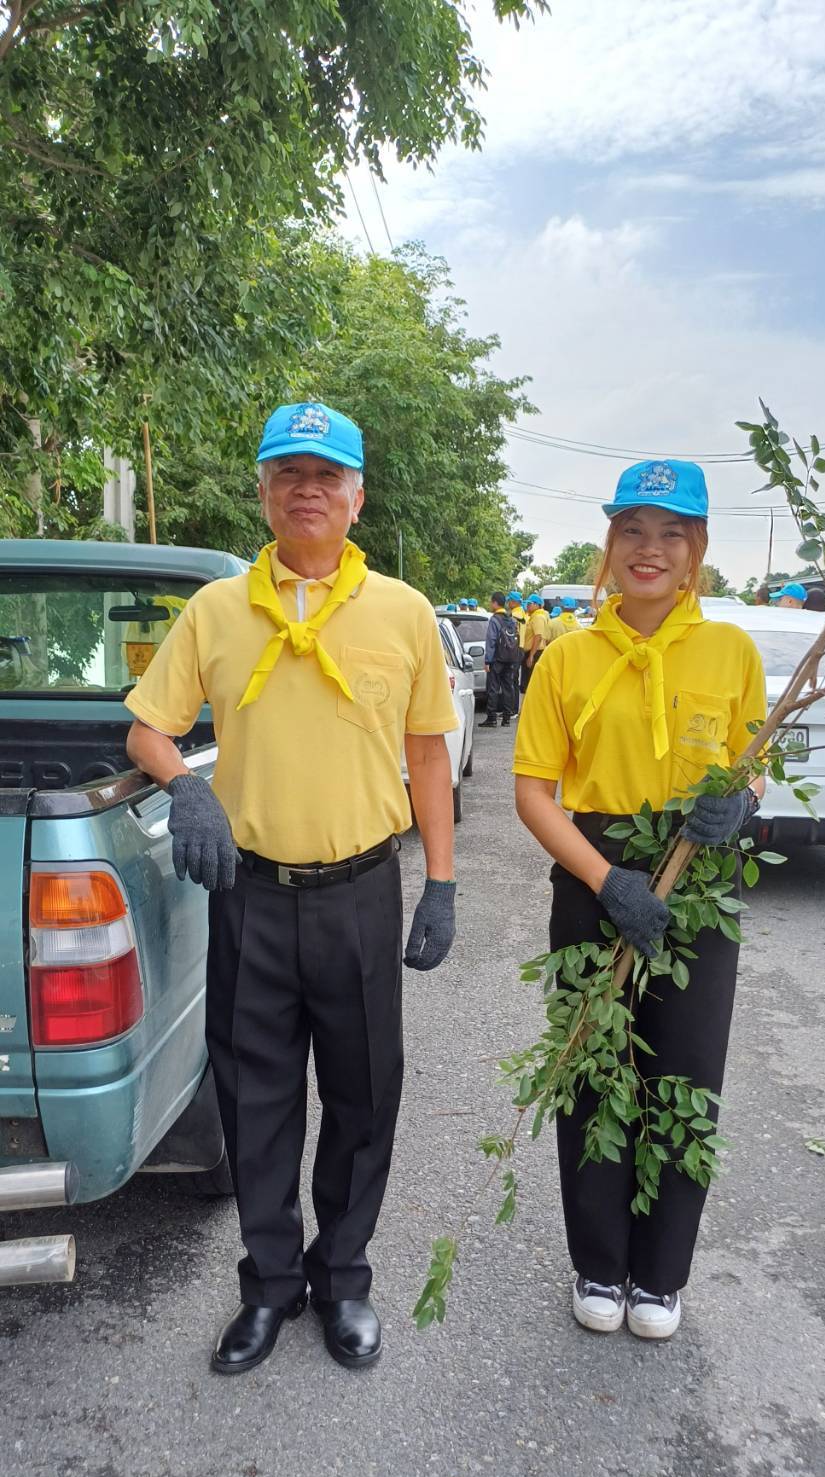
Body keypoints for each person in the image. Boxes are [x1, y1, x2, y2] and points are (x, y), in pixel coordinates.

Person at [125, 400, 460, 1377]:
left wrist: (440, 881)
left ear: (357, 497)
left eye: (327, 476)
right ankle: (268, 1286)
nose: (307, 490)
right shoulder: (217, 611)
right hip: (252, 896)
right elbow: (147, 728)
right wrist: (184, 785)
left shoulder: (401, 612)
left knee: (362, 1099)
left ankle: (341, 1277)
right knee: (255, 1102)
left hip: (360, 891)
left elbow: (429, 757)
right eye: (288, 474)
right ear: (264, 492)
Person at [513, 458, 766, 1342]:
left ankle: (661, 1277)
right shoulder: (567, 658)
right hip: (597, 875)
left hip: (699, 882)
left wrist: (741, 802)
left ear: (697, 549)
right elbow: (536, 792)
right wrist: (606, 880)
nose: (649, 549)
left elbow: (751, 763)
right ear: (609, 545)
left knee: (683, 1077)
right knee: (590, 1073)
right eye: (633, 531)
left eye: (671, 533)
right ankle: (598, 1264)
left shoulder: (732, 652)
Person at [480, 591, 521, 728]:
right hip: (510, 658)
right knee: (507, 687)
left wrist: (487, 661)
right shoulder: (511, 619)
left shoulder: (494, 619)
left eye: (491, 602)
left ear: (495, 603)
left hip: (497, 659)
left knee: (493, 687)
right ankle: (506, 718)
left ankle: (491, 718)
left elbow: (491, 640)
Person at [521, 594, 552, 694]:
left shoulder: (538, 617)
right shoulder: (534, 616)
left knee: (530, 685)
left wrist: (531, 656)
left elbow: (538, 637)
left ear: (537, 605)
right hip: (533, 652)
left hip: (535, 653)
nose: (528, 606)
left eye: (530, 604)